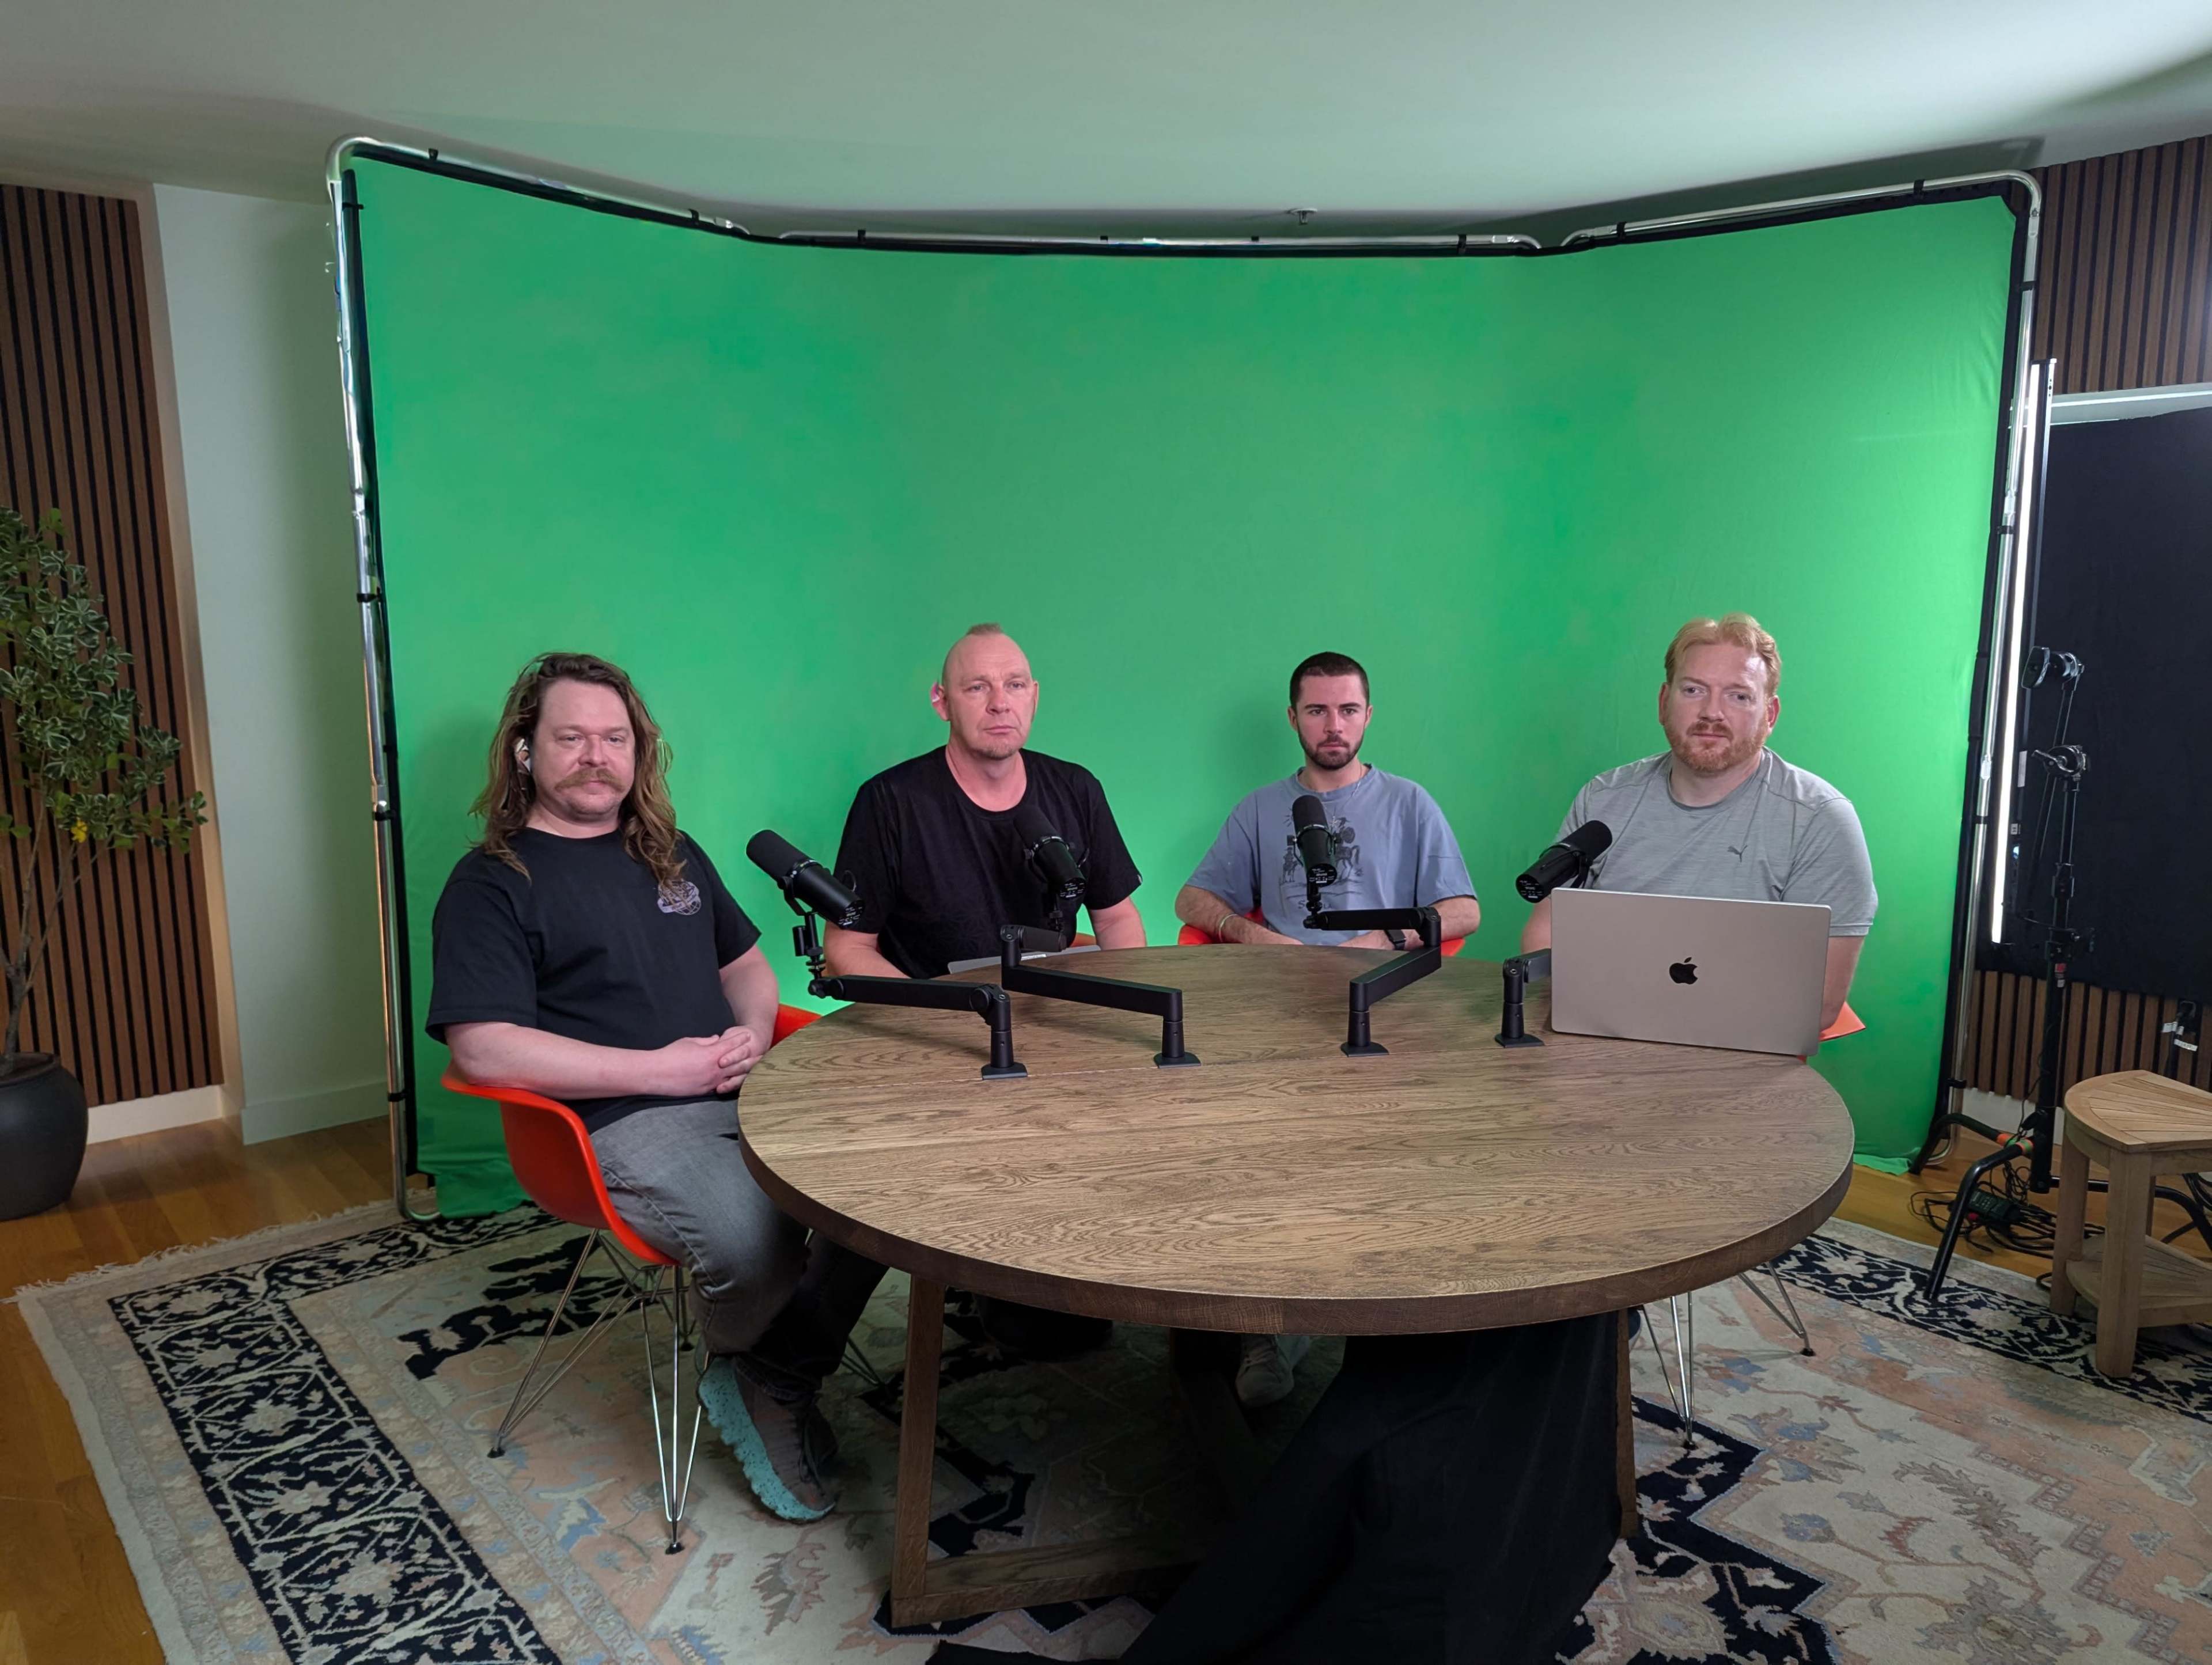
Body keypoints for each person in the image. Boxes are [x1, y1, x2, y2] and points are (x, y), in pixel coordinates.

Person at [715, 623, 1151, 1507]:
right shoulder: (892, 801)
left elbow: (1119, 923)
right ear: (941, 700)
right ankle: (776, 1374)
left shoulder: (1074, 789)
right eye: (978, 686)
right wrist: (951, 1014)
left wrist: (1110, 1011)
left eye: (1016, 684)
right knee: (898, 1186)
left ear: (1036, 694)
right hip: (927, 1031)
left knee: (1129, 1132)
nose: (1000, 703)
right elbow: (850, 949)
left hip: (1046, 1030)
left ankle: (1014, 1293)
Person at [426, 652, 841, 1524]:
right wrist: (664, 1070)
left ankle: (775, 1368)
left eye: (615, 738)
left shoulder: (673, 853)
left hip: (739, 1088)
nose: (596, 756)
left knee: (878, 1188)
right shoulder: (491, 882)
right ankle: (758, 1374)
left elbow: (747, 967)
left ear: (638, 750)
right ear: (526, 750)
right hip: (612, 1126)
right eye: (571, 737)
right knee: (752, 1233)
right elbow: (484, 1047)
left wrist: (751, 1036)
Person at [1173, 649, 1480, 1407]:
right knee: (1251, 1152)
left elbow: (1465, 910)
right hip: (1279, 1013)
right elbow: (1193, 899)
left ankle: (1391, 1314)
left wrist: (1386, 939)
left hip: (1385, 1009)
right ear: (1294, 718)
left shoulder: (1409, 803)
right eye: (1317, 710)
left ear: (1368, 715)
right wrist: (1257, 939)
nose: (1333, 725)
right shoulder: (1260, 808)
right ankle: (1267, 1323)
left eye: (1347, 709)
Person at [1521, 612, 1876, 1031]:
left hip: (1746, 1044)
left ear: (1770, 714)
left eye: (1738, 696)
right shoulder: (1604, 798)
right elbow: (1544, 938)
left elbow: (1820, 1002)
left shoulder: (1819, 820)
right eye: (1693, 690)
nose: (1712, 712)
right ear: (1663, 703)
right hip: (1601, 1030)